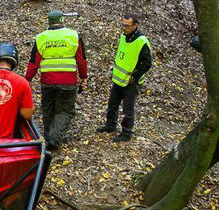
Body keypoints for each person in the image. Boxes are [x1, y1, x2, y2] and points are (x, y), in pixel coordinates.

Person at [25, 10, 88, 150]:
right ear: (62, 20)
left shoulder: (41, 37)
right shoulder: (73, 35)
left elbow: (33, 62)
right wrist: (83, 77)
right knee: (65, 111)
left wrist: (27, 79)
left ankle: (48, 138)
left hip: (47, 81)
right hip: (68, 81)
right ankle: (54, 139)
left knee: (48, 109)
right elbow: (82, 60)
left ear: (49, 21)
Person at [97, 14, 152, 142]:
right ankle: (110, 125)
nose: (124, 28)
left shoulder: (141, 41)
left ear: (135, 25)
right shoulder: (123, 36)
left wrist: (135, 76)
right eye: (123, 25)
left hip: (131, 82)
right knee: (112, 104)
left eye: (127, 26)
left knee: (128, 109)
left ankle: (126, 133)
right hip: (119, 78)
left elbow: (147, 63)